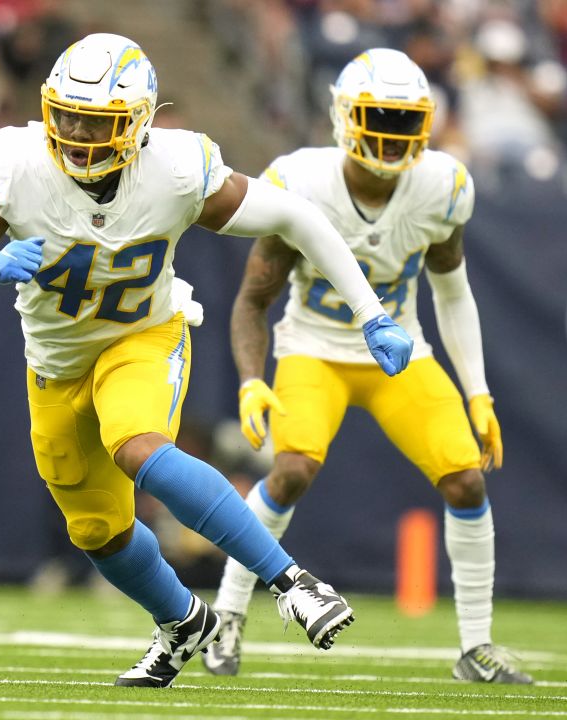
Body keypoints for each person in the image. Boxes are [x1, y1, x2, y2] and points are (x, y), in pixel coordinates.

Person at [0, 33, 415, 688]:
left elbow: (298, 218)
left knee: (136, 445)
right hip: (55, 363)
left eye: (100, 121)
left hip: (142, 336)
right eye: (70, 116)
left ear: (137, 123)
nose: (80, 135)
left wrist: (372, 314)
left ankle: (292, 581)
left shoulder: (174, 167)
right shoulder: (17, 162)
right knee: (97, 532)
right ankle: (181, 622)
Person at [201, 48, 533, 685]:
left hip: (398, 354)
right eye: (378, 115)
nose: (391, 131)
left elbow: (453, 291)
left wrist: (479, 392)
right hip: (313, 349)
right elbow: (253, 299)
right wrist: (251, 380)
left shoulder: (443, 186)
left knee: (466, 480)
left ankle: (475, 647)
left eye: (404, 119)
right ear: (344, 116)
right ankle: (231, 614)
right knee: (291, 470)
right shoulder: (298, 181)